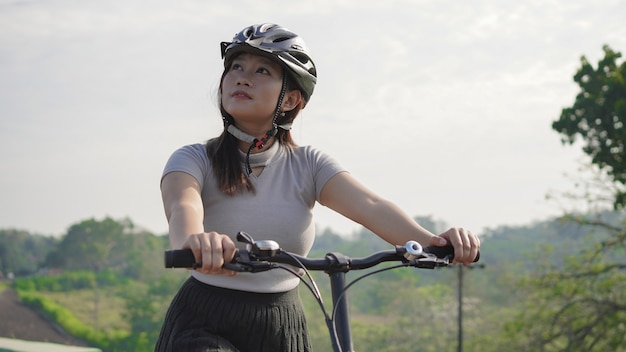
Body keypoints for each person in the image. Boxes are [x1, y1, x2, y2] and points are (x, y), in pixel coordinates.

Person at [155, 23, 480, 352]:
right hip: (204, 320)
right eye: (236, 67)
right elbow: (184, 205)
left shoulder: (308, 165)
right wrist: (195, 242)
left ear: (291, 99)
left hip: (282, 324)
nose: (242, 77)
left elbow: (371, 206)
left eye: (262, 70)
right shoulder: (194, 158)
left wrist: (437, 243)